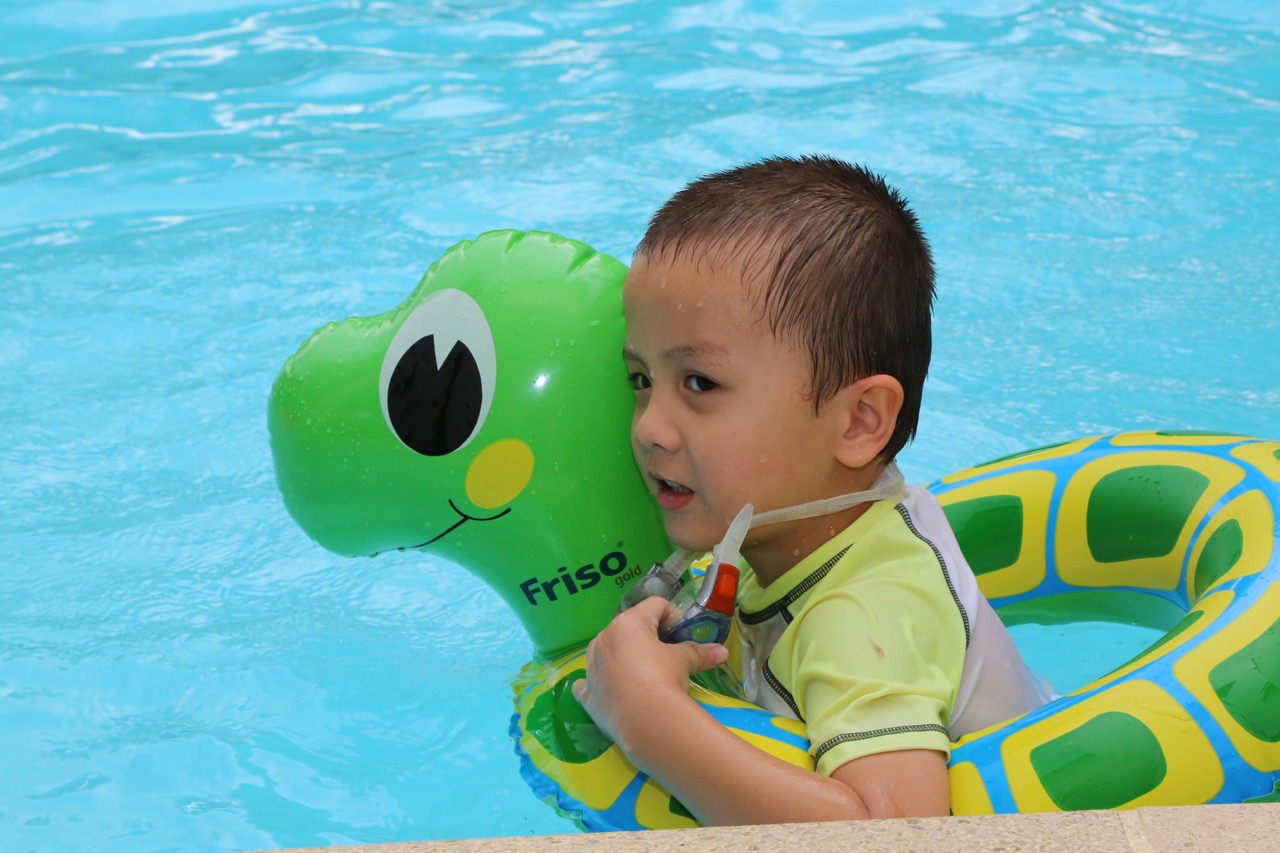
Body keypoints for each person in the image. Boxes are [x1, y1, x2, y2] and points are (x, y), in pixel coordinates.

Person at [572, 155, 1051, 825]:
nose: (649, 427)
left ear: (858, 422)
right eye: (641, 380)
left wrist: (650, 719)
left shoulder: (865, 615)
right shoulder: (777, 541)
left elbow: (893, 836)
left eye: (700, 383)